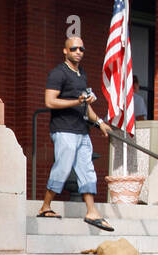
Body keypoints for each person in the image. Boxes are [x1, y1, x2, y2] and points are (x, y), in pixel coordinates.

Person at [37, 34, 113, 230]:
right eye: (74, 49)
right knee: (62, 168)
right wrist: (77, 101)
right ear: (65, 51)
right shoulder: (58, 73)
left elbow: (86, 105)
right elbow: (49, 101)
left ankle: (91, 211)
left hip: (81, 130)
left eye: (81, 49)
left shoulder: (82, 74)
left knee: (87, 170)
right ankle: (45, 206)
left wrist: (100, 123)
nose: (78, 52)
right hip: (63, 130)